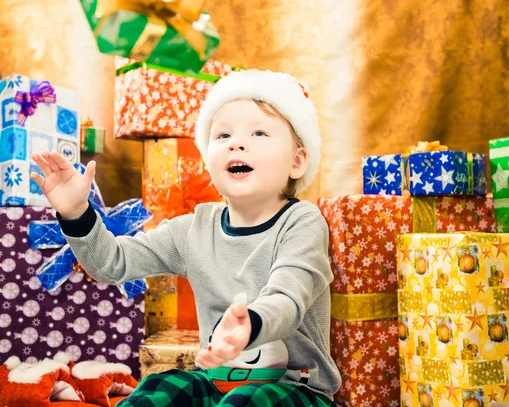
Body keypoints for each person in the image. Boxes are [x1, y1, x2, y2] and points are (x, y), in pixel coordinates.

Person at [31, 69, 342, 407]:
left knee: (248, 401)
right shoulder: (192, 229)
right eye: (222, 135)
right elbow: (112, 263)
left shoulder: (302, 222)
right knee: (155, 392)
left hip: (295, 388)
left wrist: (250, 324)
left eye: (259, 132)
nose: (237, 143)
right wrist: (77, 214)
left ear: (297, 161)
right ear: (208, 160)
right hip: (215, 382)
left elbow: (290, 295)